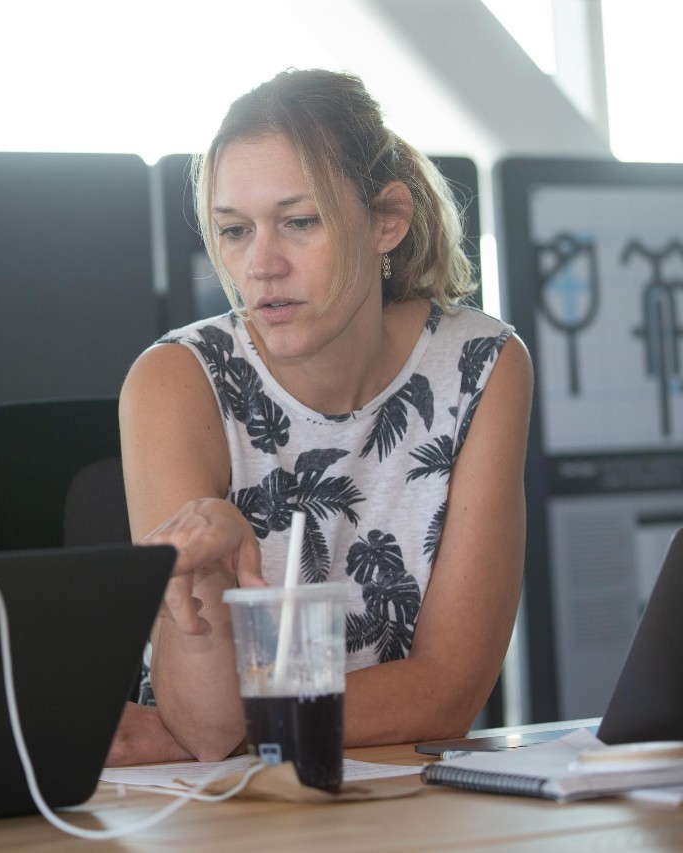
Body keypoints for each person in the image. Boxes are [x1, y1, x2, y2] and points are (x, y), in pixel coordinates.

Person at [109, 69, 532, 766]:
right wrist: (217, 546)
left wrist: (229, 727)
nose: (262, 265)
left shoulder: (481, 362)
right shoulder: (175, 379)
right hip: (217, 814)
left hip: (400, 798)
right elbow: (209, 724)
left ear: (386, 221)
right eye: (235, 231)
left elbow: (451, 694)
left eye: (299, 222)